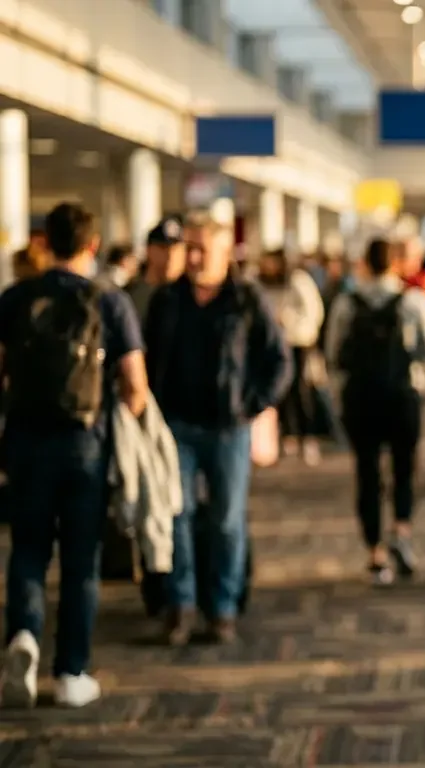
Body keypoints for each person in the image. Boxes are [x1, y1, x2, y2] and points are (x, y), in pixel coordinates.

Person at [0, 203, 148, 708]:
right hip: (87, 444)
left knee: (28, 551)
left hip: (25, 441)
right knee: (82, 561)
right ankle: (71, 672)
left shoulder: (16, 298)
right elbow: (135, 384)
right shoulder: (110, 302)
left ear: (44, 242)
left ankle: (24, 634)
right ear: (93, 245)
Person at [143, 211, 292, 646]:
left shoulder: (246, 299)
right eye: (188, 248)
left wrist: (253, 404)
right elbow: (147, 356)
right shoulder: (168, 299)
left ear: (226, 253)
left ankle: (222, 608)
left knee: (227, 519)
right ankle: (181, 605)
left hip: (228, 427)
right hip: (176, 425)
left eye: (201, 250)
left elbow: (279, 361)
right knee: (176, 514)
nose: (191, 258)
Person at [324, 239, 425, 585]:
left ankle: (375, 552)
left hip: (361, 397)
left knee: (367, 472)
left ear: (364, 263)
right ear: (395, 264)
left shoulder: (347, 303)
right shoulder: (413, 301)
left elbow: (333, 352)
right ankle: (402, 531)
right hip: (402, 395)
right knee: (404, 468)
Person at [257, 250, 327, 465]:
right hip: (276, 343)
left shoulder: (298, 281)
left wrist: (289, 321)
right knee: (281, 390)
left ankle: (308, 435)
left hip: (298, 342)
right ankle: (289, 433)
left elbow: (313, 311)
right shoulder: (263, 283)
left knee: (301, 390)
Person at [126, 217, 187, 324]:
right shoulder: (130, 296)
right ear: (148, 250)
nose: (170, 256)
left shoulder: (192, 297)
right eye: (163, 248)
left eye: (176, 249)